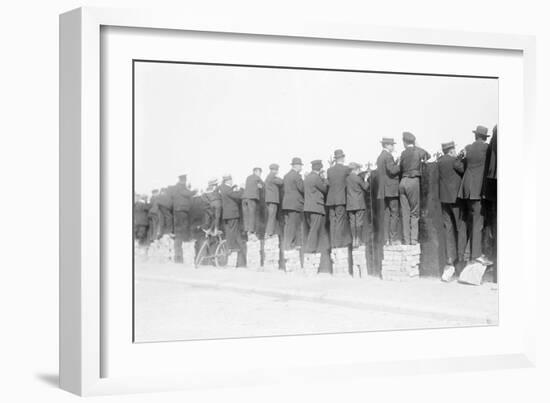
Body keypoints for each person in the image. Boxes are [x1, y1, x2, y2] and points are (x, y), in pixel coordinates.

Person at [458, 125, 493, 266]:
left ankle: (464, 255)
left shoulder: (468, 147)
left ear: (475, 136)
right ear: (484, 137)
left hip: (465, 189)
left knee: (466, 222)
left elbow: (459, 164)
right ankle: (476, 255)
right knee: (478, 223)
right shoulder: (486, 148)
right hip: (477, 190)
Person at [437, 141, 467, 270]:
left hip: (444, 199)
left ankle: (450, 258)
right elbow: (463, 169)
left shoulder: (440, 161)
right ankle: (461, 258)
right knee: (460, 227)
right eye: (454, 150)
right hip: (455, 199)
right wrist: (461, 157)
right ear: (451, 151)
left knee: (448, 228)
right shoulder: (454, 160)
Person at [398, 131, 431, 245]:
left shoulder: (403, 153)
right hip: (413, 181)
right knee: (414, 212)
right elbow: (428, 155)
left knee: (405, 213)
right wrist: (418, 145)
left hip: (402, 181)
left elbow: (400, 167)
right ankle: (413, 240)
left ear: (405, 142)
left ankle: (406, 240)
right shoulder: (418, 151)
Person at [376, 137, 401, 245]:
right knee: (394, 213)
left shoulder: (380, 157)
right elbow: (392, 170)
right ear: (386, 145)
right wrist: (399, 164)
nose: (393, 147)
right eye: (392, 145)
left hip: (383, 190)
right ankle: (393, 239)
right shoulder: (388, 156)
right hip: (391, 189)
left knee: (386, 214)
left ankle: (386, 239)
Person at [326, 149, 352, 248]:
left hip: (330, 200)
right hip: (340, 199)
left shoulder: (329, 170)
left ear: (335, 159)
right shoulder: (346, 169)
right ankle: (338, 243)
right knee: (340, 221)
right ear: (343, 158)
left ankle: (333, 243)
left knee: (333, 221)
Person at [303, 160, 329, 253]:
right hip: (316, 207)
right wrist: (325, 179)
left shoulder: (307, 178)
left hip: (307, 208)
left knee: (312, 228)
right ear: (319, 168)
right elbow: (324, 189)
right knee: (314, 229)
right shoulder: (316, 178)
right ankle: (310, 249)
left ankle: (315, 248)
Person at [172, 175, 197, 263]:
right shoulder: (180, 187)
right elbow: (187, 193)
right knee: (180, 233)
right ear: (183, 180)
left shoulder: (177, 187)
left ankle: (178, 258)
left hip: (179, 211)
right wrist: (194, 191)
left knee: (179, 233)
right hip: (181, 211)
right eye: (185, 181)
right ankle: (178, 258)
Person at [282, 157, 305, 250]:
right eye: (300, 165)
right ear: (297, 166)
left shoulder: (286, 175)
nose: (301, 167)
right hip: (295, 204)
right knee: (294, 225)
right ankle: (292, 245)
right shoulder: (297, 176)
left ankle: (288, 244)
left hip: (287, 204)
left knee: (288, 225)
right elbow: (302, 188)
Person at [219, 175, 245, 254]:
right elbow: (237, 195)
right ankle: (232, 247)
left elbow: (230, 192)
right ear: (227, 181)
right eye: (231, 180)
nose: (232, 181)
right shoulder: (227, 189)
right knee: (233, 230)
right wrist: (242, 188)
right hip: (232, 214)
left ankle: (230, 246)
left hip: (227, 214)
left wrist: (233, 186)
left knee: (229, 230)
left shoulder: (223, 187)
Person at [346, 162, 369, 248]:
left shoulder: (347, 178)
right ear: (355, 169)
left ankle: (353, 240)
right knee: (359, 222)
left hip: (350, 204)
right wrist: (366, 179)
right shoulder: (358, 178)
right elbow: (365, 187)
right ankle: (358, 240)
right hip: (359, 203)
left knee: (352, 222)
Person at [242, 167, 264, 236]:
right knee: (252, 214)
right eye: (260, 172)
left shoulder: (248, 177)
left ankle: (246, 228)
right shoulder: (257, 177)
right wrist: (260, 186)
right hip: (251, 198)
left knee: (246, 215)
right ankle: (251, 230)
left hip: (244, 198)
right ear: (256, 172)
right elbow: (263, 185)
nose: (260, 174)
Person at [264, 163, 284, 237]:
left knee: (271, 215)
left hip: (270, 199)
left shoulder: (268, 177)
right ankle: (269, 232)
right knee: (272, 216)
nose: (277, 171)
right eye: (276, 170)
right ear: (274, 170)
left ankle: (271, 231)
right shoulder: (272, 176)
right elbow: (281, 182)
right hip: (273, 200)